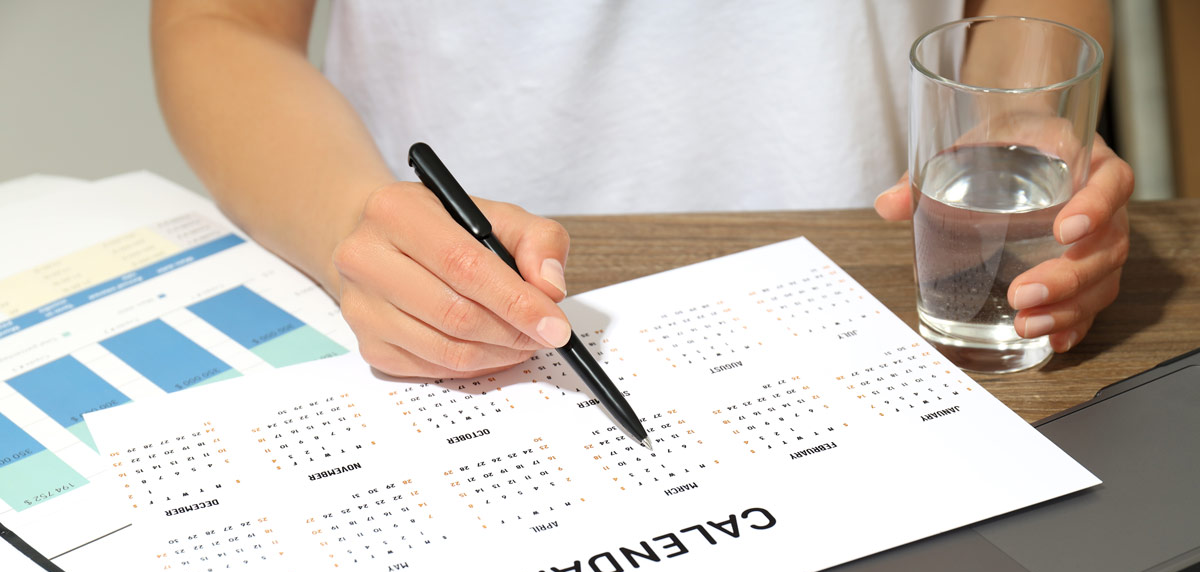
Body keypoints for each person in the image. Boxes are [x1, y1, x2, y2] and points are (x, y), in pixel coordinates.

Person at [150, 0, 1132, 378]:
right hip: (458, 310)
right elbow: (218, 24)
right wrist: (342, 224)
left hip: (892, 289)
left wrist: (1020, 123)